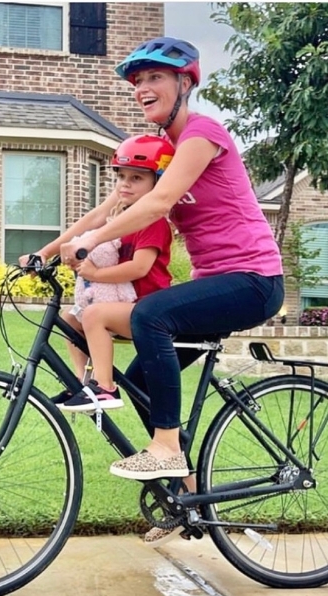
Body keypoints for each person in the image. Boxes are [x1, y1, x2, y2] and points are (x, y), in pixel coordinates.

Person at [58, 37, 284, 545]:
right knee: (140, 380)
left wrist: (93, 242)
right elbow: (117, 204)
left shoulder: (201, 135)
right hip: (217, 282)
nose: (142, 88)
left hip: (254, 280)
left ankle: (165, 447)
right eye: (138, 81)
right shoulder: (163, 151)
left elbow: (158, 202)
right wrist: (57, 248)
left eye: (155, 77)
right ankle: (187, 497)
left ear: (185, 83)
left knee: (150, 315)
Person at [27, 136, 175, 413]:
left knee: (94, 315)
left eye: (136, 178)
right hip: (126, 303)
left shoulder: (153, 222)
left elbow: (140, 268)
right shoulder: (122, 218)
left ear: (158, 183)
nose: (125, 184)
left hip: (149, 310)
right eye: (121, 176)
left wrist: (96, 273)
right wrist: (44, 254)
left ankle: (105, 388)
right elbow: (92, 223)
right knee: (71, 318)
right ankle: (82, 382)